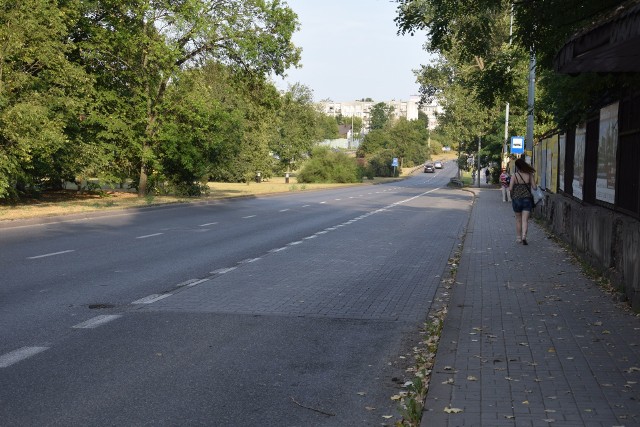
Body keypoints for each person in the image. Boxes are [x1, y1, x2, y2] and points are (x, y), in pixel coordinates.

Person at [508, 158, 537, 245]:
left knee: (518, 219)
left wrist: (512, 195)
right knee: (525, 220)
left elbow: (510, 188)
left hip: (516, 199)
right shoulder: (529, 175)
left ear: (517, 166)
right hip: (527, 200)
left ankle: (518, 238)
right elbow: (535, 188)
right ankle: (524, 236)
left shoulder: (514, 175)